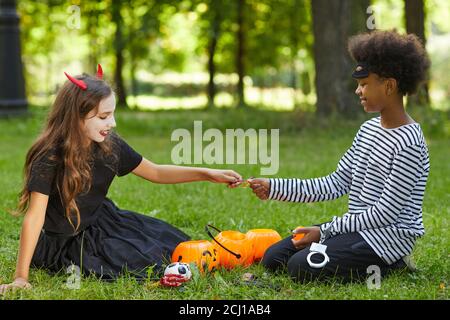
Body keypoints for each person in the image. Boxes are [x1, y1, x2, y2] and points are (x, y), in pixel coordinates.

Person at [0, 65, 242, 294]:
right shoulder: (49, 157)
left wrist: (207, 174)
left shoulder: (109, 146)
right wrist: (21, 277)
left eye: (112, 114)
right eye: (104, 116)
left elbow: (155, 172)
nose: (112, 123)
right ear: (76, 116)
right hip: (68, 240)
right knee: (136, 262)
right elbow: (34, 217)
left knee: (169, 244)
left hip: (104, 220)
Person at [248, 30, 431, 283]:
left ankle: (393, 264)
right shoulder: (368, 130)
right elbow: (335, 183)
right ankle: (347, 251)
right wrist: (274, 187)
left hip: (387, 238)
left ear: (389, 85)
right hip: (358, 229)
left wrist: (324, 231)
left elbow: (386, 213)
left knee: (299, 268)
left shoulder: (409, 143)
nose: (358, 90)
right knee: (274, 258)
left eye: (364, 84)